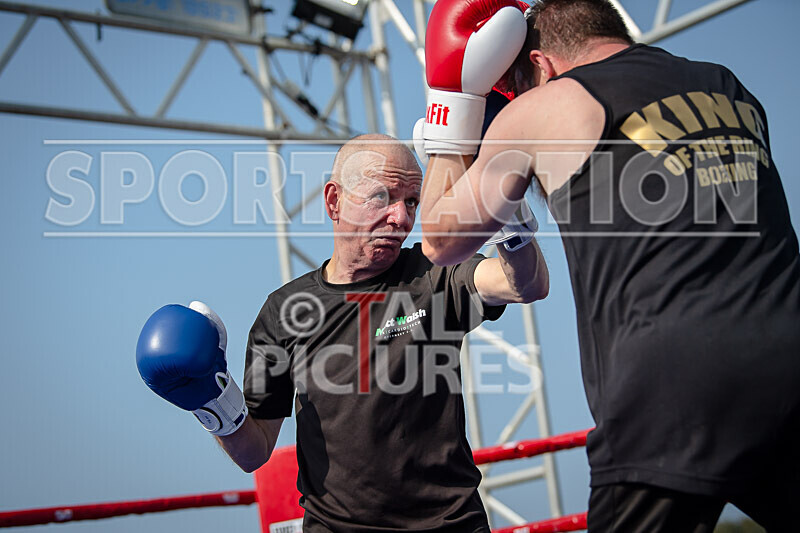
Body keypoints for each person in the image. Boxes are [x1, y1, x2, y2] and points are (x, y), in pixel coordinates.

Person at [416, 0, 800, 531]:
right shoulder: (729, 87)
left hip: (667, 389)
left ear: (542, 65)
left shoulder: (547, 104)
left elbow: (439, 239)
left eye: (521, 82)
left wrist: (452, 101)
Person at [135, 134, 549, 532]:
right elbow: (254, 451)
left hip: (449, 525)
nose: (402, 217)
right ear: (335, 201)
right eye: (383, 198)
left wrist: (507, 214)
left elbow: (524, 284)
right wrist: (210, 400)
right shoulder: (284, 312)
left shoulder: (432, 274)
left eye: (412, 202)